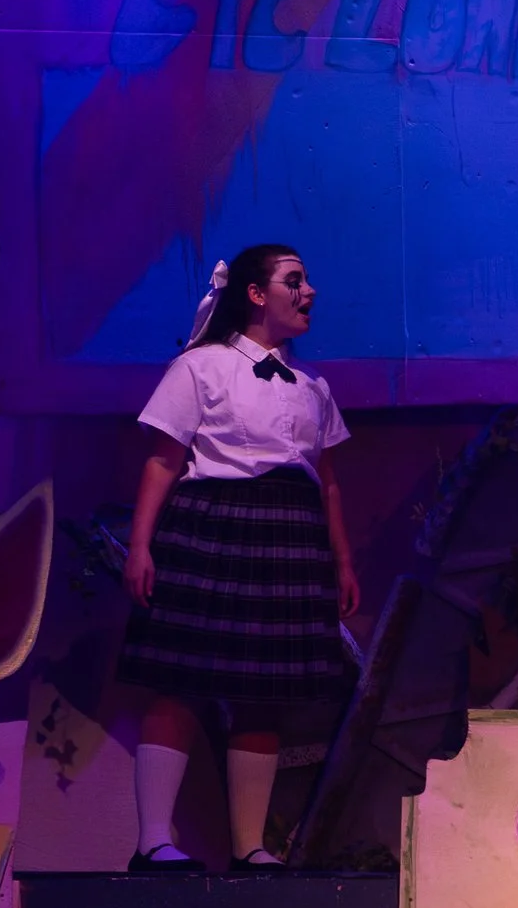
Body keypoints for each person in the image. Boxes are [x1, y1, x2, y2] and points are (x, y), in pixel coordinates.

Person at [118, 245, 358, 870]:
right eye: (295, 281)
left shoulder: (313, 387)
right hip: (211, 528)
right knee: (177, 681)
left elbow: (326, 479)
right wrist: (140, 545)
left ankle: (250, 846)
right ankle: (153, 843)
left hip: (289, 537)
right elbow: (163, 460)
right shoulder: (201, 368)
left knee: (265, 692)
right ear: (256, 294)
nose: (310, 292)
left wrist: (343, 561)